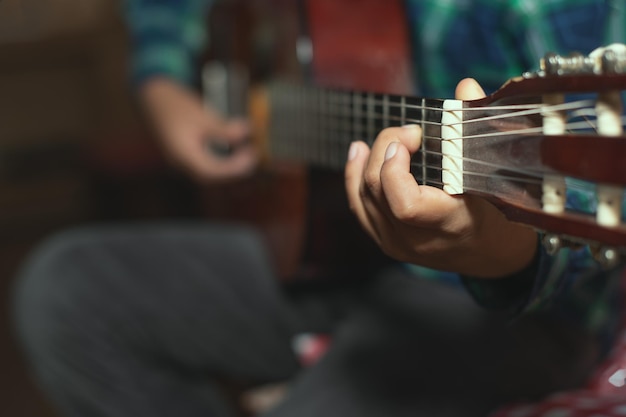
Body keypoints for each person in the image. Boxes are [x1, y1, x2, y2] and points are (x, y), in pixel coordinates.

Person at [12, 1, 626, 417]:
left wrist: (491, 248)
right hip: (336, 242)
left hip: (520, 305)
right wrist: (163, 80)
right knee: (65, 291)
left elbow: (583, 184)